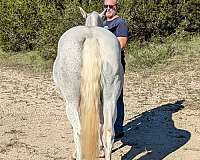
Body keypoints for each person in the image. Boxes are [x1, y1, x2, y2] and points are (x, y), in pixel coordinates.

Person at [103, 0, 128, 139]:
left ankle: (118, 128)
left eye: (111, 6)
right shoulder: (102, 23)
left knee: (117, 96)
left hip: (115, 64)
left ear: (116, 7)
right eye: (105, 6)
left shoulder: (120, 23)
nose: (108, 8)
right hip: (101, 65)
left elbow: (121, 43)